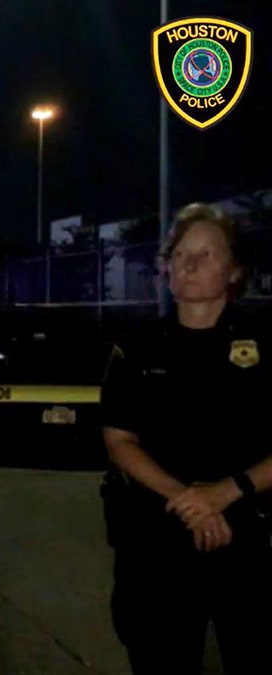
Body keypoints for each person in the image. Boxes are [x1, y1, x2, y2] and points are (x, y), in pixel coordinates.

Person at [101, 202, 272, 675]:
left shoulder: (263, 343)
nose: (189, 265)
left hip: (249, 535)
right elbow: (119, 440)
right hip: (155, 543)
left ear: (235, 270)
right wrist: (188, 500)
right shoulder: (138, 346)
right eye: (179, 254)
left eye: (206, 255)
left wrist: (224, 492)